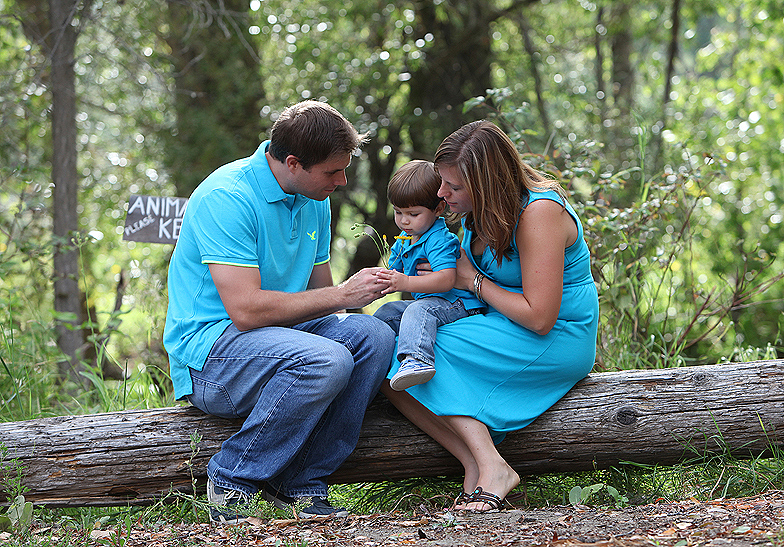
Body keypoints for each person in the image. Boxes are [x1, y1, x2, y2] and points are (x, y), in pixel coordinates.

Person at [163, 100, 396, 524]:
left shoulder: (314, 196)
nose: (342, 181)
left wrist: (355, 297)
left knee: (373, 335)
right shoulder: (227, 197)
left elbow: (320, 296)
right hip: (211, 356)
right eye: (332, 172)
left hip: (282, 341)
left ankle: (302, 483)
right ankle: (232, 477)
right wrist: (344, 295)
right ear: (293, 163)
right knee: (326, 358)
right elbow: (247, 311)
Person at [381, 121, 599, 512]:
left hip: (554, 336)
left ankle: (494, 468)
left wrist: (471, 280)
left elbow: (539, 317)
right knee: (385, 351)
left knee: (425, 348)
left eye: (454, 187)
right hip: (499, 321)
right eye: (442, 183)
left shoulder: (539, 212)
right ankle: (472, 463)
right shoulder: (473, 214)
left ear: (486, 184)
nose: (440, 194)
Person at [373, 160, 484, 391]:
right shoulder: (406, 238)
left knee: (417, 309)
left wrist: (405, 282)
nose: (404, 221)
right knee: (388, 312)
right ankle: (373, 353)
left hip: (458, 303)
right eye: (398, 212)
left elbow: (446, 280)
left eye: (413, 214)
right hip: (432, 304)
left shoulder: (438, 239)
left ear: (438, 209)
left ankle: (417, 360)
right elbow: (394, 272)